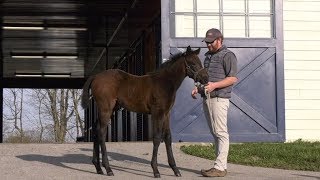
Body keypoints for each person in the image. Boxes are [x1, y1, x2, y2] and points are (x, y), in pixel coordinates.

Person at [191, 28, 238, 177]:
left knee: (221, 132)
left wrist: (214, 86)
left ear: (220, 40)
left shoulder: (228, 55)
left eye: (211, 42)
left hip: (219, 98)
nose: (208, 45)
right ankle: (218, 166)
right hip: (207, 98)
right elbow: (206, 80)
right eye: (207, 43)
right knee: (215, 133)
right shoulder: (207, 56)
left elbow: (232, 79)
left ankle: (220, 167)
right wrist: (198, 89)